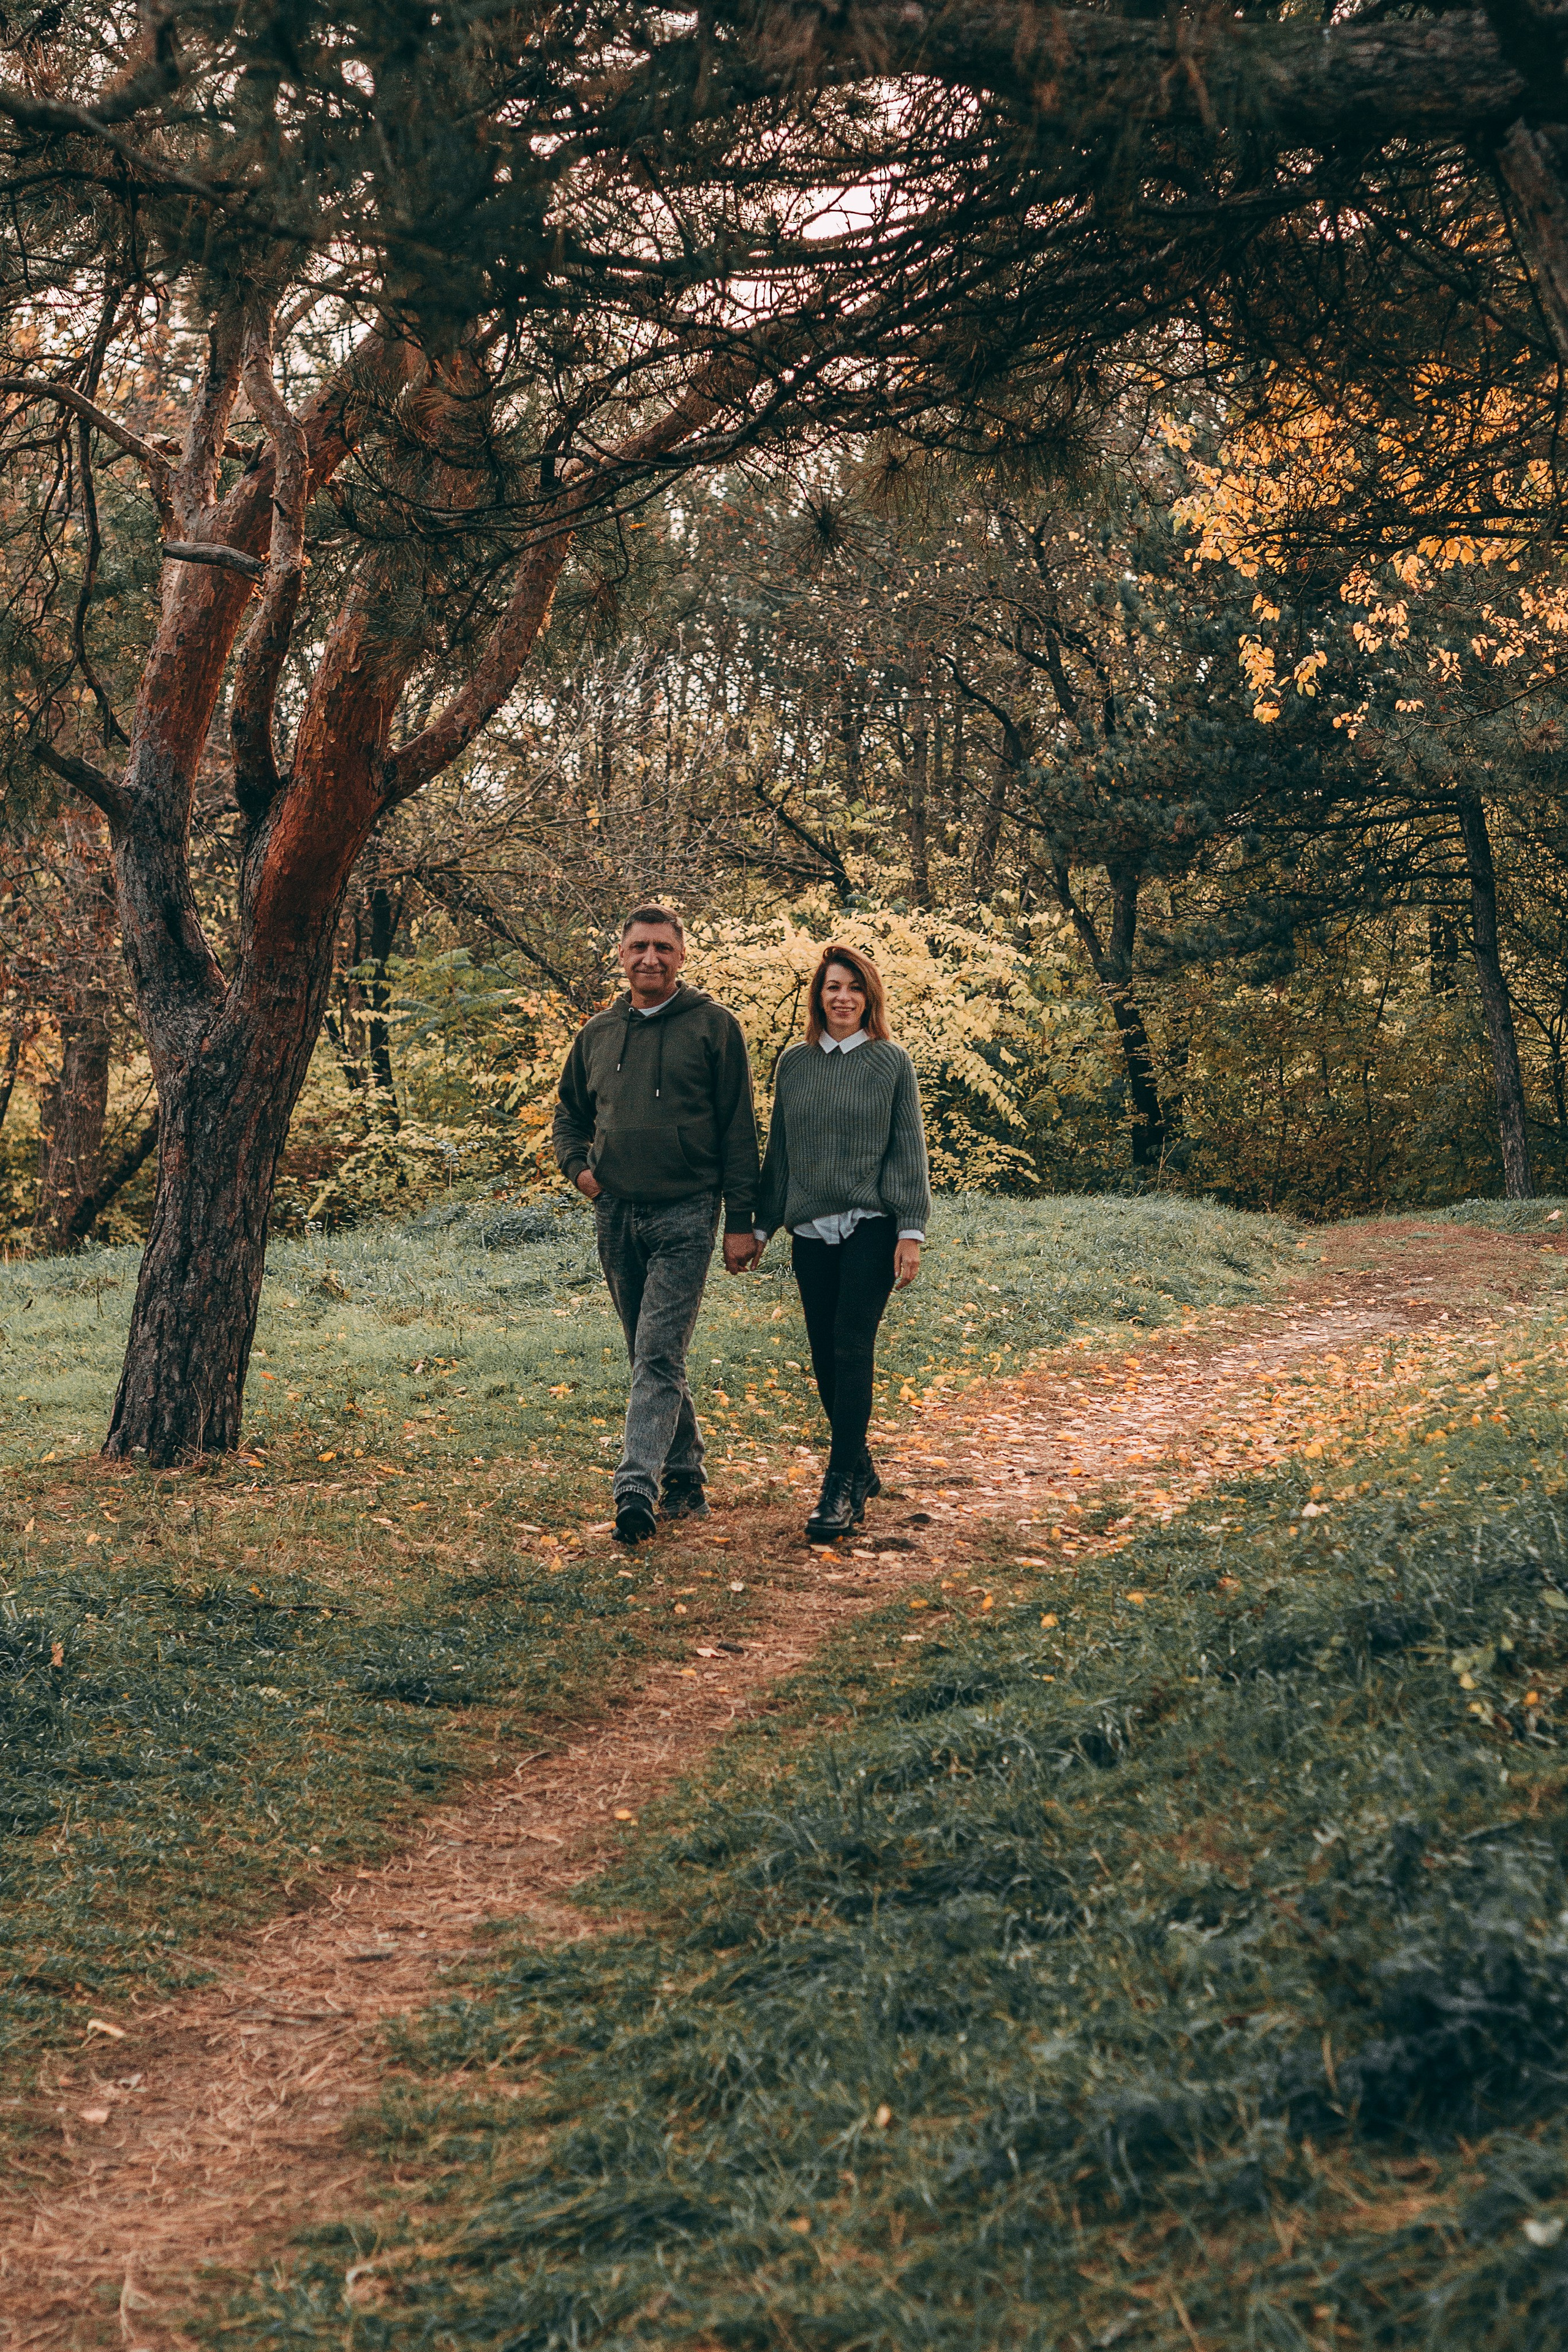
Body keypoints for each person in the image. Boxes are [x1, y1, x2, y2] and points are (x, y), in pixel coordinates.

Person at [554, 905, 761, 1546]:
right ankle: (685, 1478)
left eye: (663, 948)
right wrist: (582, 1173)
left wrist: (740, 1220)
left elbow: (738, 1129)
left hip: (687, 1210)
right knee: (650, 1354)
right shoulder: (597, 1032)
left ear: (681, 956)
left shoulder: (713, 1026)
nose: (650, 958)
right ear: (621, 954)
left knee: (657, 1352)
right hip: (616, 1212)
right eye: (639, 947)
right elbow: (568, 1115)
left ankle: (634, 1491)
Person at [754, 942, 931, 1542]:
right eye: (832, 987)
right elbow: (780, 1151)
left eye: (853, 988)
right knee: (825, 1354)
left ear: (869, 997)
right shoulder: (794, 1065)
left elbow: (908, 1148)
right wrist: (761, 1222)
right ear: (817, 996)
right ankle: (861, 1467)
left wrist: (909, 1229)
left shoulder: (889, 1062)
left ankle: (839, 1484)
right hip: (811, 1230)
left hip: (871, 1225)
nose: (842, 997)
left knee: (852, 1345)